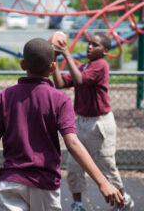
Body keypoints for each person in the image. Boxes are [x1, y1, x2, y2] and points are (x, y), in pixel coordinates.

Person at [0, 38, 124, 211]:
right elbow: (72, 143)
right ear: (52, 67)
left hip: (11, 180)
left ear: (22, 65)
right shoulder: (60, 99)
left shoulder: (5, 96)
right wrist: (102, 182)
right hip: (44, 182)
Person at [52, 33, 134, 211]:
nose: (89, 47)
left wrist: (67, 55)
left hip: (99, 123)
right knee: (74, 165)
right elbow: (59, 83)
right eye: (89, 43)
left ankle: (123, 200)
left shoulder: (100, 65)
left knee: (105, 164)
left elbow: (80, 81)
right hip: (81, 122)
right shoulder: (84, 66)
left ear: (105, 51)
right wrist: (55, 62)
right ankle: (78, 204)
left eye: (95, 45)